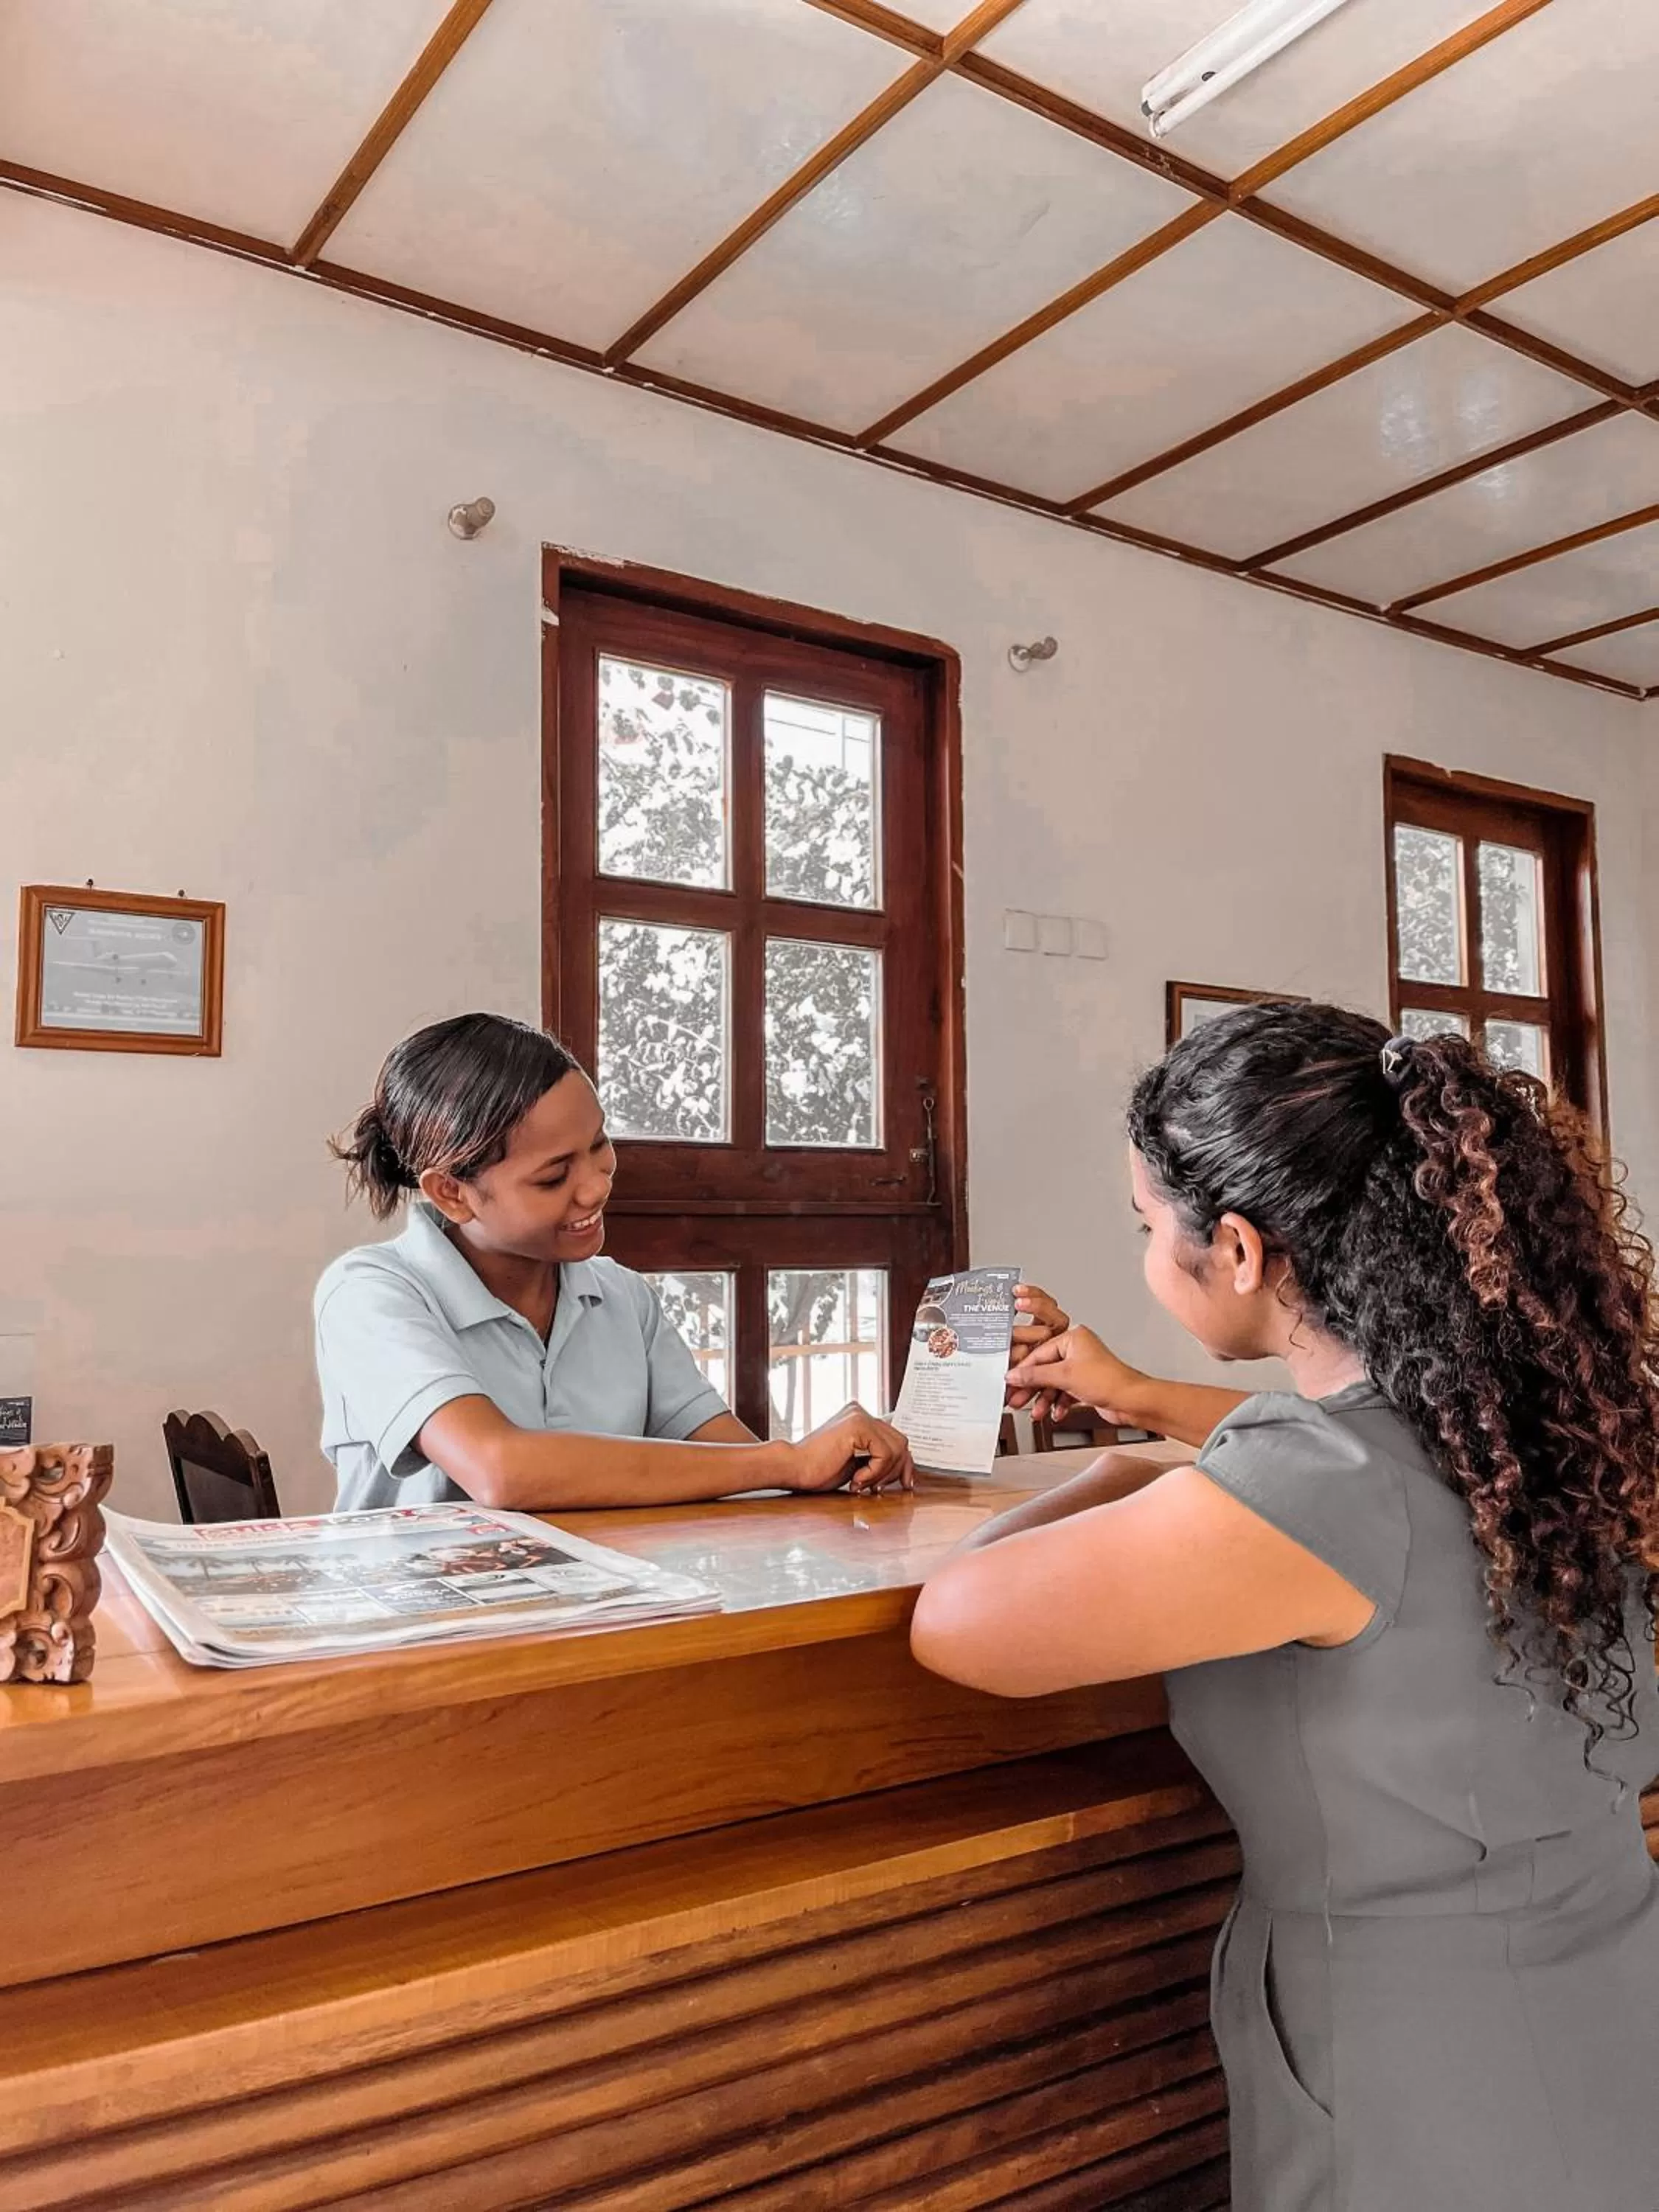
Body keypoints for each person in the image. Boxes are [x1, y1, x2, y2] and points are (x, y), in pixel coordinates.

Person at [909, 1001, 1659, 2212]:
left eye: (1148, 1226)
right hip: (1609, 2016)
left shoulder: (1314, 1488)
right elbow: (1353, 1460)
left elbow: (955, 1623)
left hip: (1418, 2083)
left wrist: (1118, 1468)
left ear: (1240, 1250)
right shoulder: (1552, 1430)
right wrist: (1151, 1404)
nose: (1147, 1252)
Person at [316, 1012, 1066, 1513]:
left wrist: (938, 1406)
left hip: (596, 1626)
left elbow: (742, 1467)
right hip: (410, 1653)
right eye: (553, 1177)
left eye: (600, 1147)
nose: (595, 1186)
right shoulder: (373, 1294)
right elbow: (500, 1470)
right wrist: (787, 1461)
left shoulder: (620, 1298)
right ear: (451, 1193)